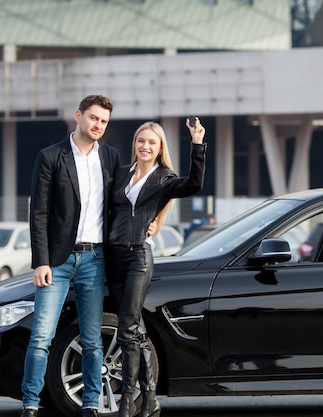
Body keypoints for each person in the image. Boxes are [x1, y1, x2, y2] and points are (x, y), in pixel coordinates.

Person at [20, 95, 119, 417]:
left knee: (92, 338)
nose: (98, 125)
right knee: (41, 337)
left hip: (96, 259)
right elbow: (39, 213)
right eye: (93, 118)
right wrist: (41, 261)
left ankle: (91, 402)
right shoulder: (51, 156)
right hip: (58, 262)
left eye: (103, 121)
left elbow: (122, 205)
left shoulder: (111, 157)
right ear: (78, 116)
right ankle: (30, 403)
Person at [106, 118, 207, 417]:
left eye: (152, 142)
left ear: (160, 147)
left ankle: (127, 401)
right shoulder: (121, 174)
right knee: (135, 328)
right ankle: (150, 400)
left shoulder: (165, 178)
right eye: (141, 141)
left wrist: (198, 145)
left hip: (138, 257)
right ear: (134, 144)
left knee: (126, 328)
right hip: (113, 257)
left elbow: (194, 184)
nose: (145, 146)